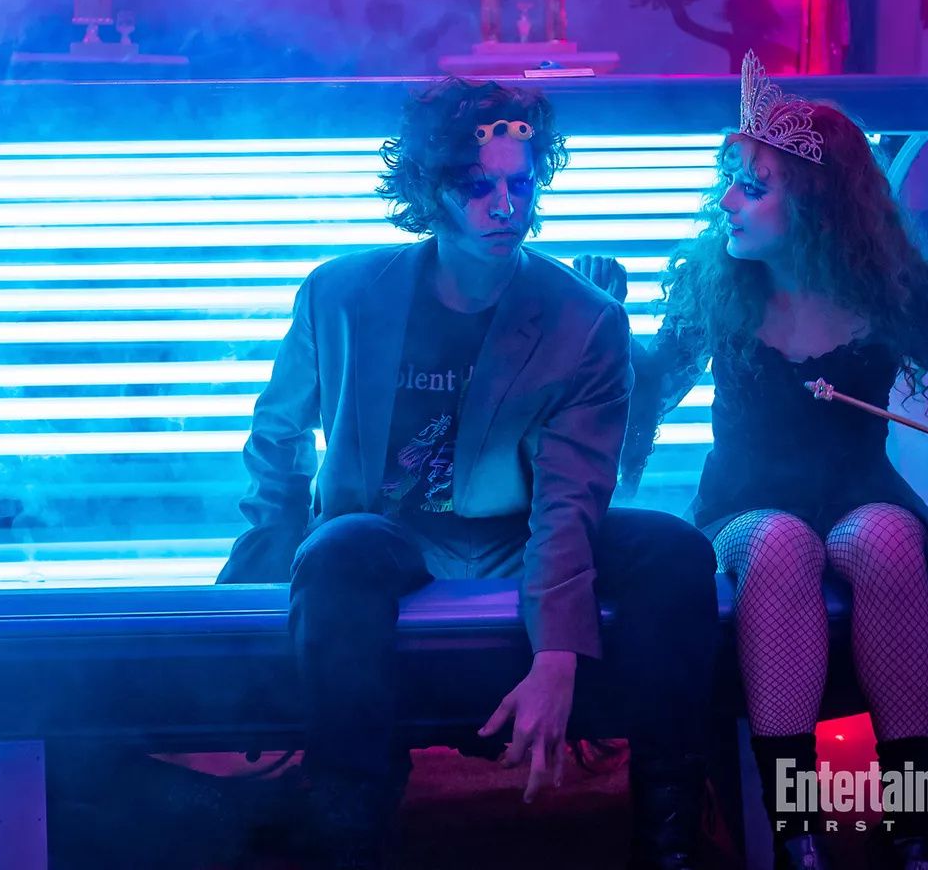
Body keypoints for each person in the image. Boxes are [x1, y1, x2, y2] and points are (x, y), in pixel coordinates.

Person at [576, 53, 928, 870]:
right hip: (743, 502)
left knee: (886, 540)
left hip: (860, 492)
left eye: (752, 186)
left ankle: (912, 826)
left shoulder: (890, 291)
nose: (727, 202)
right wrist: (602, 327)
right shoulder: (715, 282)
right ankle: (796, 829)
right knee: (778, 544)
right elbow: (652, 384)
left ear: (815, 203)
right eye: (731, 181)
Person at [218, 78, 719, 870]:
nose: (505, 206)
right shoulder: (341, 294)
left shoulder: (584, 318)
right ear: (431, 190)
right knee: (337, 548)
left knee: (676, 550)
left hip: (521, 535)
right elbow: (276, 434)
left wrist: (557, 657)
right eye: (479, 186)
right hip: (385, 535)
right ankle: (349, 836)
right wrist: (274, 542)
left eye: (521, 184)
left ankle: (673, 837)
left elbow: (570, 500)